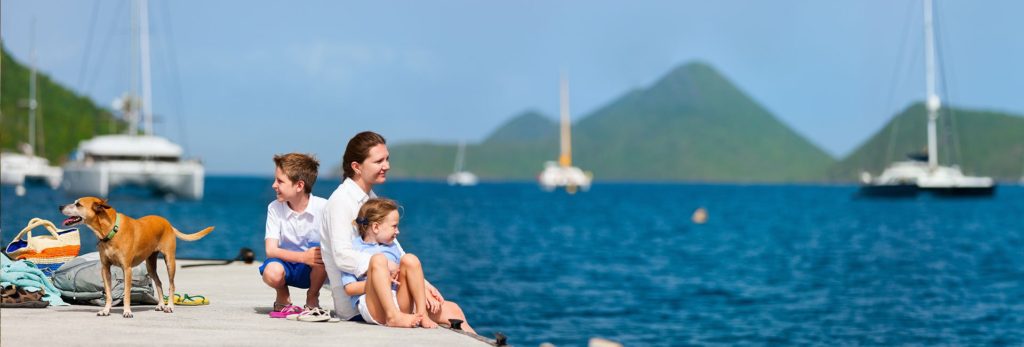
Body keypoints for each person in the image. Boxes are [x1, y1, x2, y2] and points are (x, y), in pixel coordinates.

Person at [320, 131, 447, 326]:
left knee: (451, 310)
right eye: (379, 161)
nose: (386, 166)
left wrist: (424, 285)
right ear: (357, 167)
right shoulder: (340, 202)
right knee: (450, 313)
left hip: (390, 292)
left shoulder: (370, 199)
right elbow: (342, 256)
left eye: (387, 159)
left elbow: (396, 249)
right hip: (357, 306)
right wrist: (389, 266)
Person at [341, 198, 474, 332]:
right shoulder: (354, 250)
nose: (398, 231)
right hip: (374, 307)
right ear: (375, 227)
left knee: (410, 259)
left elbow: (407, 273)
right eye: (394, 226)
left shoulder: (393, 247)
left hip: (399, 302)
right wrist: (381, 281)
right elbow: (349, 289)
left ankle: (422, 315)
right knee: (378, 260)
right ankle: (392, 316)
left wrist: (425, 290)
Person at [259, 153, 329, 321]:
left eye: (280, 181)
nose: (274, 185)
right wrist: (303, 257)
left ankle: (312, 299)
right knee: (271, 272)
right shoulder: (275, 207)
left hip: (314, 270)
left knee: (321, 255)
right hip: (287, 266)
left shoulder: (324, 207)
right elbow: (270, 250)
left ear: (299, 185)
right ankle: (283, 297)